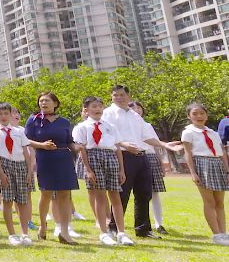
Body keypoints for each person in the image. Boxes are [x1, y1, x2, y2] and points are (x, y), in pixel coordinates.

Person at [102, 85, 180, 238]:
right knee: (122, 194)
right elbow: (107, 135)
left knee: (144, 193)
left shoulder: (134, 115)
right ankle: (114, 228)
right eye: (115, 95)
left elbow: (146, 136)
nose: (118, 97)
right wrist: (124, 144)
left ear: (128, 96)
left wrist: (164, 144)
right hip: (123, 156)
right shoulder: (108, 114)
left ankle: (143, 229)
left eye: (122, 94)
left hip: (141, 156)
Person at [73, 96, 132, 247]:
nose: (98, 109)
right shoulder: (82, 127)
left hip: (110, 157)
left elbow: (117, 147)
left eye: (100, 106)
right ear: (86, 110)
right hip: (93, 157)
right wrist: (88, 169)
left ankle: (121, 233)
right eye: (94, 106)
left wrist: (122, 169)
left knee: (115, 197)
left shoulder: (110, 126)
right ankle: (104, 232)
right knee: (100, 196)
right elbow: (81, 149)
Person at [25, 92, 77, 245]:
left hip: (63, 159)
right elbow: (26, 140)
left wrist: (78, 147)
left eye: (46, 100)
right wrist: (42, 145)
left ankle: (65, 232)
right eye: (41, 101)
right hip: (44, 158)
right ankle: (42, 225)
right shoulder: (33, 120)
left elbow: (69, 141)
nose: (43, 103)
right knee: (45, 194)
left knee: (64, 195)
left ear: (55, 103)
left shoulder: (64, 122)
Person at [180, 102, 229, 245]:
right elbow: (188, 153)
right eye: (195, 113)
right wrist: (193, 173)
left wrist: (227, 170)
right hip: (202, 165)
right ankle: (216, 234)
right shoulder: (188, 132)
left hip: (217, 165)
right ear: (189, 116)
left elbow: (222, 154)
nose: (199, 116)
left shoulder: (213, 133)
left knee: (219, 202)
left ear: (206, 115)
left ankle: (223, 233)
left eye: (202, 113)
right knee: (209, 201)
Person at [0, 103, 34, 246]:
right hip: (4, 165)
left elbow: (26, 151)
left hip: (20, 165)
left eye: (6, 113)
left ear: (11, 114)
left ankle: (25, 233)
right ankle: (12, 234)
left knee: (22, 201)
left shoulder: (19, 131)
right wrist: (0, 172)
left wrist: (29, 170)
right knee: (7, 201)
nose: (3, 116)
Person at [131, 101, 171, 234]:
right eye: (133, 107)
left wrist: (161, 163)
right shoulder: (126, 124)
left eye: (139, 107)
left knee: (154, 193)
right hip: (132, 156)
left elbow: (155, 144)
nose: (136, 110)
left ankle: (159, 223)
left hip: (150, 157)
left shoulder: (147, 125)